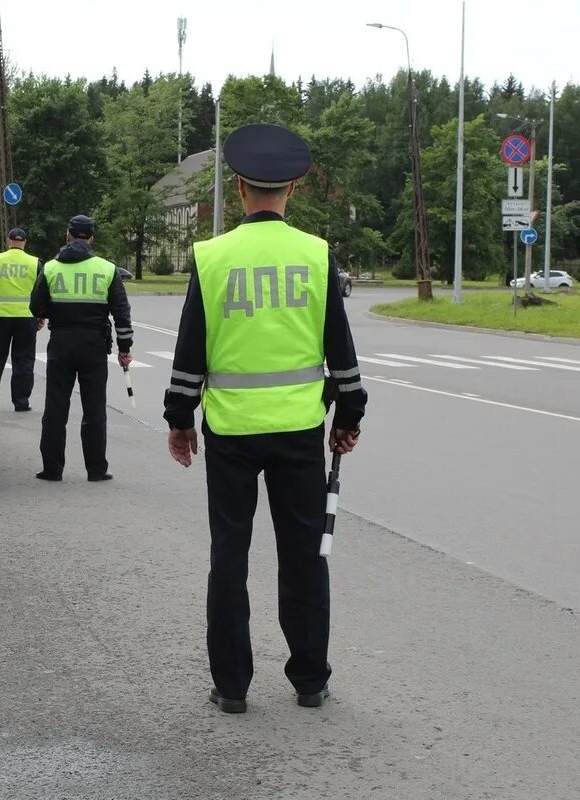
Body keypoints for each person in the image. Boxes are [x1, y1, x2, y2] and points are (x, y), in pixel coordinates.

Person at [162, 123, 366, 714]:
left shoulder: (211, 257)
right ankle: (309, 680)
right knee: (303, 558)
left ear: (239, 186)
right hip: (300, 431)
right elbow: (341, 350)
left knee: (229, 559)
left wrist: (180, 420)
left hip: (229, 434)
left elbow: (189, 352)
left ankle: (231, 687)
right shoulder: (316, 255)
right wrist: (348, 416)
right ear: (293, 190)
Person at [29, 215, 133, 482]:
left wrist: (47, 314)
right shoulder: (107, 269)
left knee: (55, 407)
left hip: (61, 343)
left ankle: (52, 469)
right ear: (91, 239)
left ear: (67, 236)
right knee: (95, 408)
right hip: (94, 346)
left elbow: (35, 305)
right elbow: (121, 313)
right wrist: (125, 348)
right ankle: (96, 469)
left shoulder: (51, 268)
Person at [0, 228, 42, 411]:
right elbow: (40, 294)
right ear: (25, 243)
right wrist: (39, 316)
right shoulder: (35, 263)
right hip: (26, 318)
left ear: (8, 241)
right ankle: (21, 402)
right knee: (23, 360)